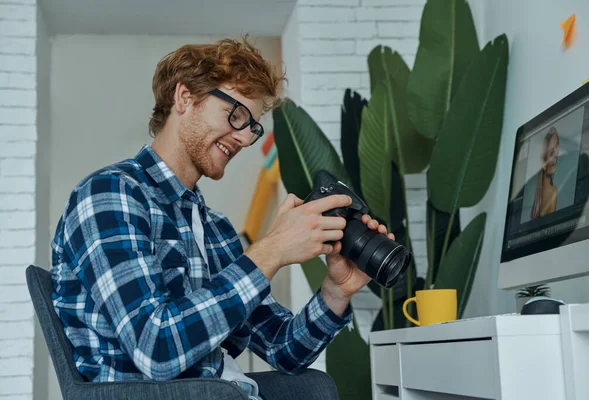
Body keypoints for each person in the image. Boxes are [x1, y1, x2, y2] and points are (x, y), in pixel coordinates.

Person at [50, 36, 394, 400]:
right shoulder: (110, 195)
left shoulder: (215, 229)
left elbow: (283, 349)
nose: (245, 138)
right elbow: (155, 348)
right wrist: (270, 252)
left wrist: (335, 291)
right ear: (184, 98)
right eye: (237, 115)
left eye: (253, 126)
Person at [530, 127, 560, 219]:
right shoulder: (553, 192)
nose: (556, 155)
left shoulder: (536, 197)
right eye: (551, 153)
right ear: (543, 163)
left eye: (557, 148)